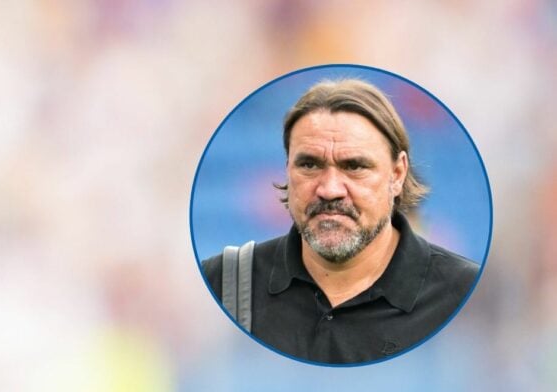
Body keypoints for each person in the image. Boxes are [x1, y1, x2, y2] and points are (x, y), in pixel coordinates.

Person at [201, 78, 480, 364]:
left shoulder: (458, 289)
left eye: (355, 166)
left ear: (397, 175)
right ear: (288, 171)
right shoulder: (228, 282)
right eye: (309, 164)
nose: (330, 189)